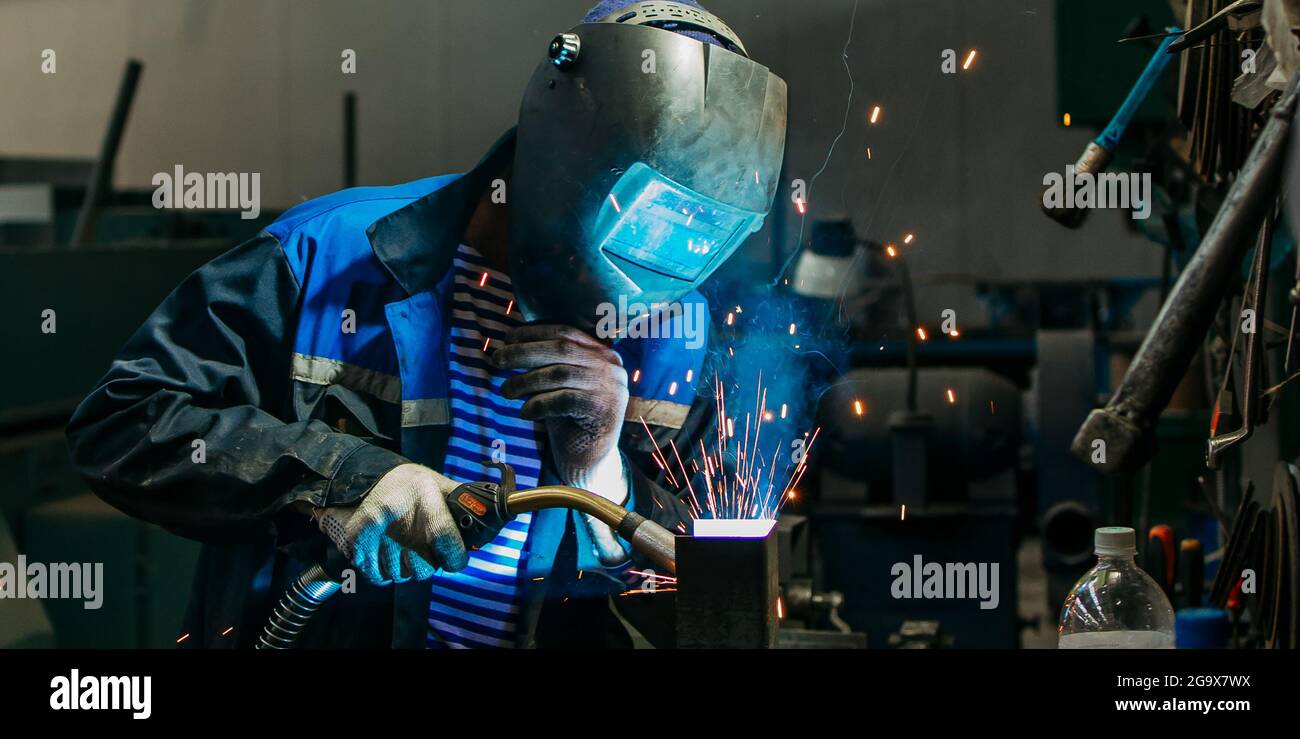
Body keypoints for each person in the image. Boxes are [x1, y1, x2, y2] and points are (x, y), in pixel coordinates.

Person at [66, 0, 786, 649]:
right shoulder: (331, 254)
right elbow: (122, 422)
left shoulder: (675, 332)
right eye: (646, 213)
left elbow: (702, 593)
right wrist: (341, 480)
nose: (653, 266)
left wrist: (602, 470)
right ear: (570, 145)